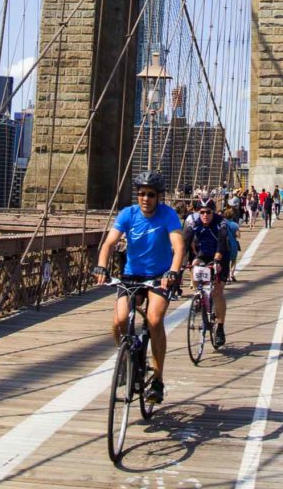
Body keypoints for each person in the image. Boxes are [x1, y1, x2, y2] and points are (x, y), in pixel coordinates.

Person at [96, 170, 184, 404]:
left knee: (154, 320)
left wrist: (172, 271)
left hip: (158, 276)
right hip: (131, 275)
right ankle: (127, 359)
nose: (146, 198)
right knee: (119, 321)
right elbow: (109, 243)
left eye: (151, 195)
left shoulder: (168, 215)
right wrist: (101, 267)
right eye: (142, 194)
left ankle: (157, 378)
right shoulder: (128, 214)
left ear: (159, 197)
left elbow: (178, 245)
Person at [183, 198, 230, 346]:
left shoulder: (220, 222)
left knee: (217, 291)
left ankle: (220, 327)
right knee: (195, 264)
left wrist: (217, 261)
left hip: (220, 255)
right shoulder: (194, 222)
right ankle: (199, 293)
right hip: (204, 253)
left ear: (213, 212)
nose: (205, 215)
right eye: (201, 212)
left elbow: (222, 243)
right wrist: (177, 265)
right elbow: (185, 242)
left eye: (208, 212)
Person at [223, 206, 241, 281]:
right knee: (233, 260)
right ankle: (232, 274)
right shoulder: (235, 225)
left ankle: (226, 276)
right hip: (233, 244)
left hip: (224, 244)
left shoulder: (222, 223)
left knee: (225, 260)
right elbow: (238, 235)